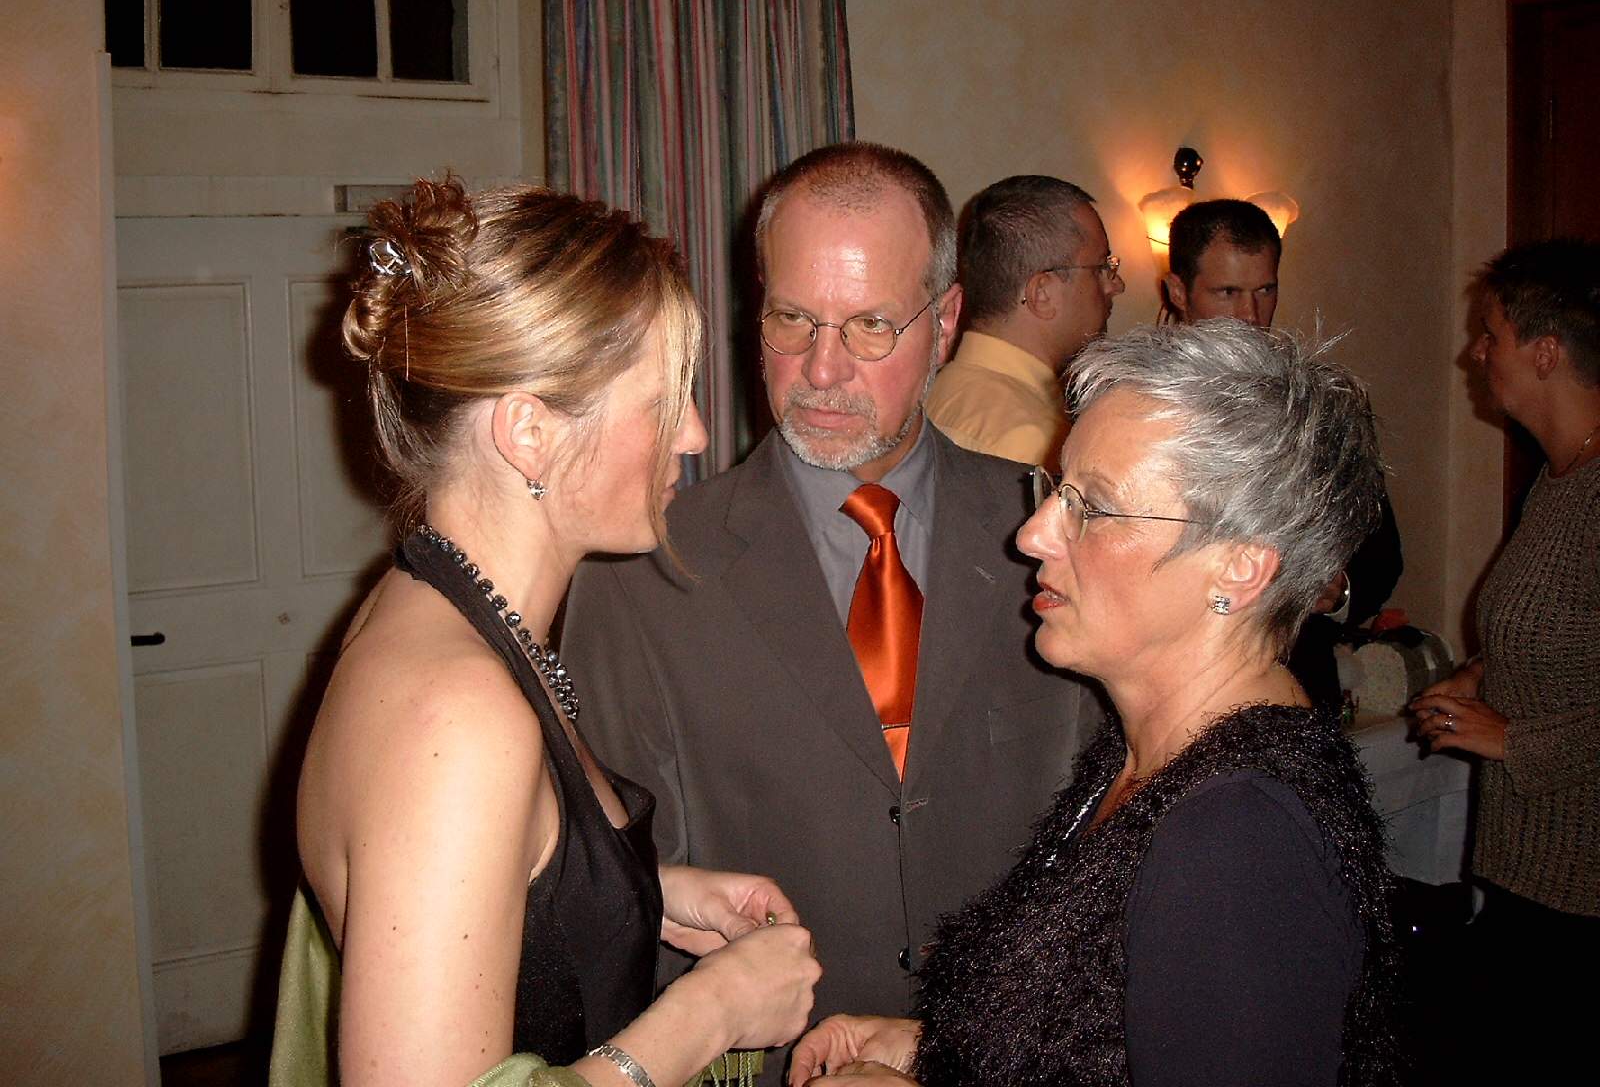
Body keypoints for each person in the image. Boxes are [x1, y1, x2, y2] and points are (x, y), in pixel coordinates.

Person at [563, 143, 1103, 1082]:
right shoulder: (643, 571)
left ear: (946, 323)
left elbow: (1107, 845)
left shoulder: (1053, 529)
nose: (820, 370)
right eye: (792, 320)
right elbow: (618, 914)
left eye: (870, 327)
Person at [269, 179, 820, 1087]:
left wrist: (642, 896)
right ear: (529, 433)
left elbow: (491, 890)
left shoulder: (438, 606)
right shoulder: (455, 717)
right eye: (664, 401)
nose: (693, 434)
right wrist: (713, 1012)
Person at [792, 321, 1402, 1087]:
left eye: (1095, 508)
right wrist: (936, 1051)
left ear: (1239, 569)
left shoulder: (1241, 843)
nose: (1033, 533)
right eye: (1057, 491)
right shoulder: (1148, 752)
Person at [1410, 238, 1600, 1082]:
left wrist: (1512, 740)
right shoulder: (1558, 480)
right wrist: (1481, 674)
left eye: (1492, 335)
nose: (1474, 353)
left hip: (1585, 883)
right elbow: (1569, 631)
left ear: (1547, 352)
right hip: (1533, 868)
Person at [1163, 198, 1403, 713]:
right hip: (1172, 688)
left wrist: (1339, 592)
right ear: (1179, 291)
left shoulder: (1322, 404)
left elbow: (1381, 553)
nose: (1251, 316)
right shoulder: (1140, 402)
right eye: (1228, 293)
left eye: (1265, 290)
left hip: (1296, 687)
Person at [924, 175, 1124, 468]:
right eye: (1101, 268)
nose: (1116, 285)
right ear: (1042, 294)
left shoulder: (935, 395)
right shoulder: (1037, 444)